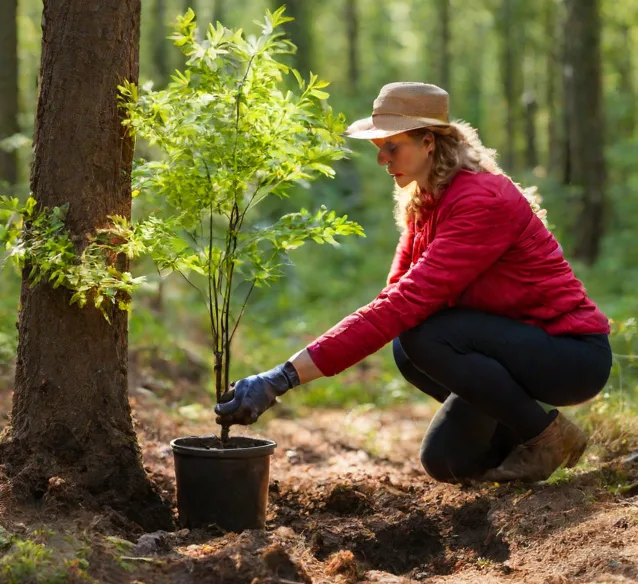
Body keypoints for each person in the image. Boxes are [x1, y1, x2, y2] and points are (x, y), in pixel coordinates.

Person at [215, 82, 612, 484]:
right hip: (508, 351)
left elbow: (405, 305)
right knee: (446, 458)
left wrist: (283, 377)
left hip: (568, 354)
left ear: (428, 143)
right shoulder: (424, 202)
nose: (382, 160)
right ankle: (525, 434)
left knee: (423, 336)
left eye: (393, 147)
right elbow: (392, 298)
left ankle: (546, 437)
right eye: (378, 149)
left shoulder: (480, 200)